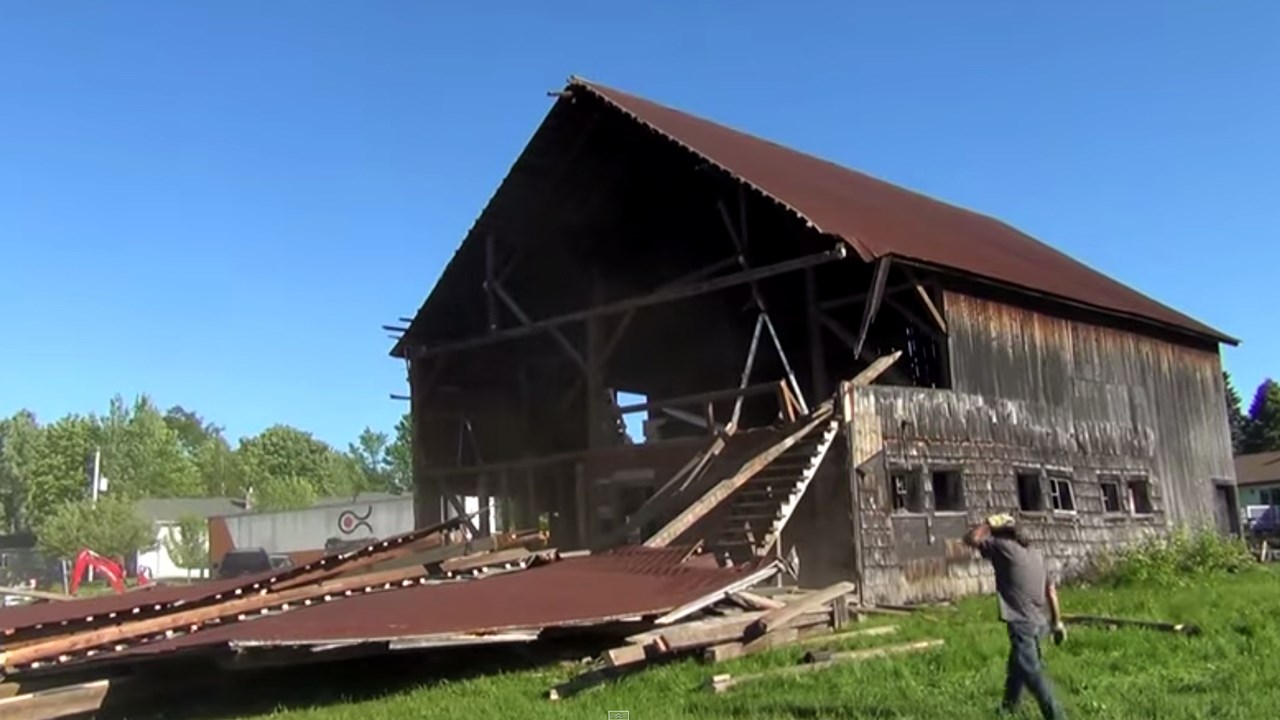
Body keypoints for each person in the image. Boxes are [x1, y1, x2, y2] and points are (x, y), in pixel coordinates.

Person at [963, 513, 1068, 720]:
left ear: (1001, 533)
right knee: (1017, 668)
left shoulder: (1002, 547)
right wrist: (1057, 623)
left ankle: (1057, 716)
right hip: (1040, 622)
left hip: (1022, 623)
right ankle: (1008, 709)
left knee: (1032, 673)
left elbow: (970, 539)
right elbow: (1051, 592)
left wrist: (987, 524)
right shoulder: (1036, 553)